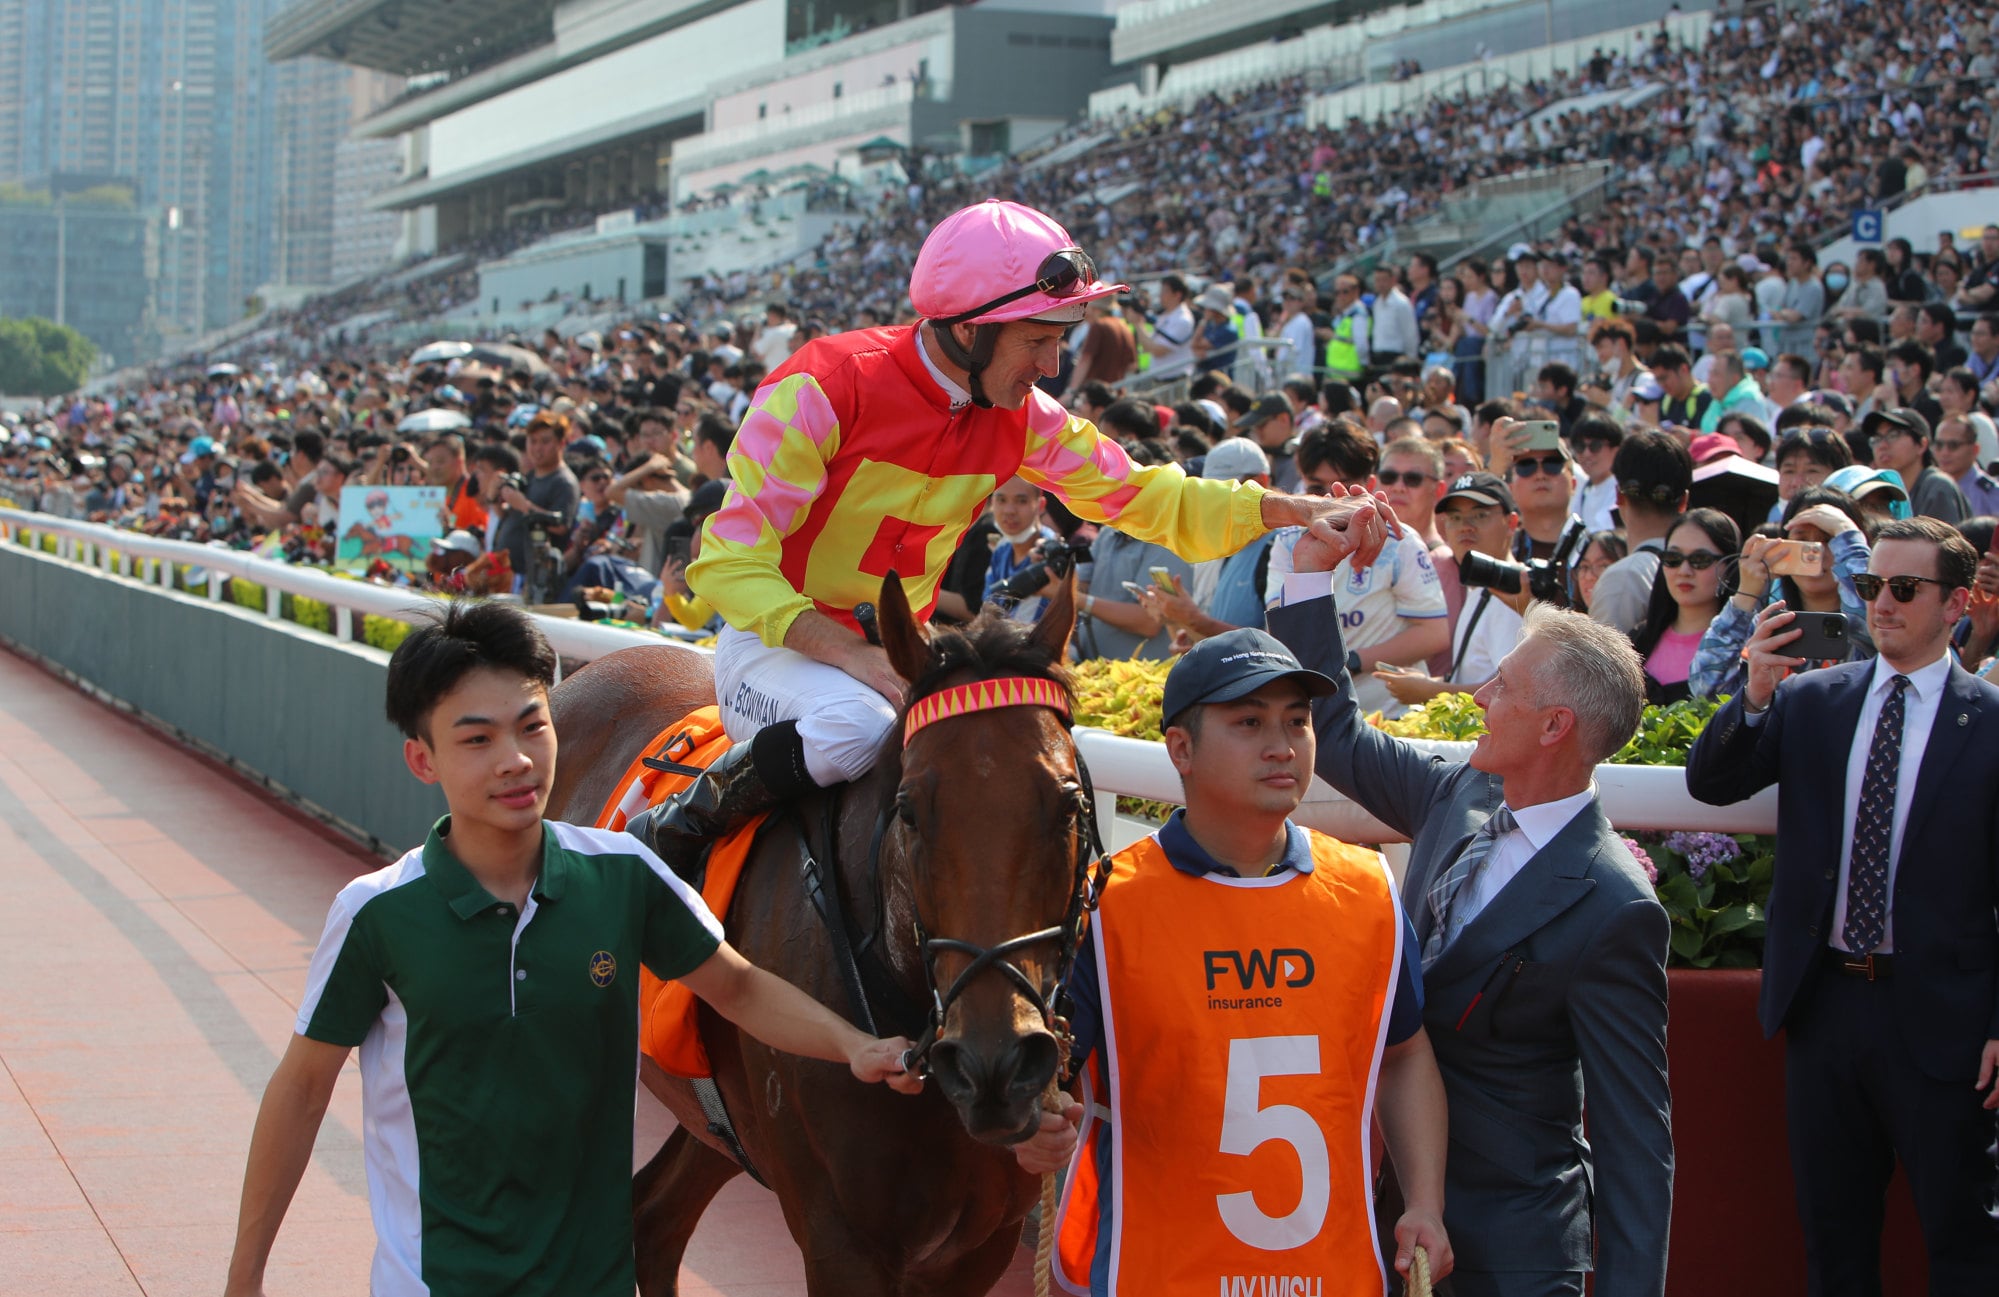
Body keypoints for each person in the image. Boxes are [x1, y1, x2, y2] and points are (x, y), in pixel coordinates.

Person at [654, 200, 1385, 875]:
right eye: (1037, 340)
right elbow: (725, 562)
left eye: (1058, 341)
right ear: (968, 328)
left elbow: (1142, 495)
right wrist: (847, 650)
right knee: (858, 725)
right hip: (776, 645)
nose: (1051, 366)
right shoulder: (823, 386)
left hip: (898, 656)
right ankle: (674, 828)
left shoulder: (1023, 417)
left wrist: (1288, 508)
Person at [222, 603, 919, 1297]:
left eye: (533, 726)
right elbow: (303, 1088)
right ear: (421, 758)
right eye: (477, 739)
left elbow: (736, 987)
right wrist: (245, 1277)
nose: (517, 760)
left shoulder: (621, 871)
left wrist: (852, 1043)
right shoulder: (376, 912)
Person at [1269, 521, 1673, 1297]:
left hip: (1518, 1250)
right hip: (1396, 1221)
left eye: (1502, 687)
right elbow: (1339, 733)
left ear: (1555, 726)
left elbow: (1635, 1138)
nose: (1477, 696)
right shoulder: (1458, 791)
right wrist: (1308, 581)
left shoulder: (1616, 904)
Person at [1012, 628, 1454, 1294]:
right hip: (1147, 1273)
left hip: (1332, 1274)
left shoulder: (1368, 889)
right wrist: (1030, 1131)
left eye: (1297, 721)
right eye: (1249, 722)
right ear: (1180, 749)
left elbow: (1404, 1052)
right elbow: (1045, 1083)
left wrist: (1423, 1200)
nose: (1282, 745)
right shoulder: (1104, 902)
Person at [1685, 517, 1999, 1295]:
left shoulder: (1989, 722)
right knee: (1832, 1241)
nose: (1879, 603)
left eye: (1902, 588)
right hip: (1823, 1004)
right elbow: (1710, 783)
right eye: (1869, 585)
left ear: (1956, 600)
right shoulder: (1812, 699)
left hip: (1945, 1021)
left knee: (1963, 1246)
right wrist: (1752, 694)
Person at [1689, 488, 1874, 697]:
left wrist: (1847, 533)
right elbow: (1705, 688)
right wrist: (1745, 595)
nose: (1815, 552)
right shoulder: (1769, 625)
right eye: (1802, 540)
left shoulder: (1876, 623)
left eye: (1829, 539)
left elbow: (1870, 617)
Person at [1589, 430, 1694, 637]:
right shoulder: (1706, 569)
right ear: (1684, 501)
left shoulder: (1624, 578)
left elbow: (1602, 668)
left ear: (1619, 495)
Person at [1631, 508, 1740, 704]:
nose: (1684, 570)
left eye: (1700, 560)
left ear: (1730, 566)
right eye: (1673, 559)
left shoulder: (1743, 646)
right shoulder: (1638, 639)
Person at [1866, 408, 1969, 524]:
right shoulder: (1879, 493)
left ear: (1921, 445)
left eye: (1893, 435)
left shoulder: (1937, 488)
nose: (1882, 445)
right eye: (1876, 439)